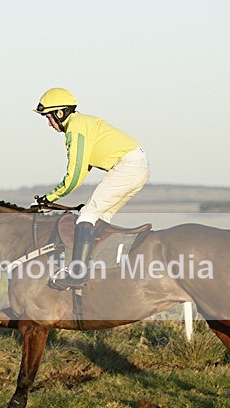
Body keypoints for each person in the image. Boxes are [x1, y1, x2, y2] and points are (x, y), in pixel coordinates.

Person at [34, 88, 150, 290]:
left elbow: (74, 177)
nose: (49, 124)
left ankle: (77, 275)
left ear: (60, 113)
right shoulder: (83, 124)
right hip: (136, 165)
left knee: (87, 214)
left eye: (49, 118)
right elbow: (83, 168)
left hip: (128, 166)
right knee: (101, 217)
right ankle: (98, 269)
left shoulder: (76, 129)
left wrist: (49, 197)